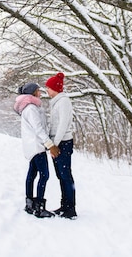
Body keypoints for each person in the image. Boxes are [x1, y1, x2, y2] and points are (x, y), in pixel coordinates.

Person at [14, 82, 60, 218]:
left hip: (32, 146)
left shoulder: (28, 108)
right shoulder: (31, 108)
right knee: (44, 175)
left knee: (32, 174)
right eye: (38, 91)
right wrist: (50, 144)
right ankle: (39, 208)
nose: (40, 93)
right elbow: (38, 128)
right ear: (33, 92)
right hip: (37, 146)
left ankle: (29, 204)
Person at [45, 72, 77, 219]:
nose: (47, 91)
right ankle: (64, 206)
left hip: (63, 143)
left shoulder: (63, 101)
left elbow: (63, 124)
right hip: (57, 143)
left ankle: (70, 209)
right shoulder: (56, 102)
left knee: (66, 176)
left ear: (55, 88)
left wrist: (55, 145)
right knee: (61, 176)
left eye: (48, 88)